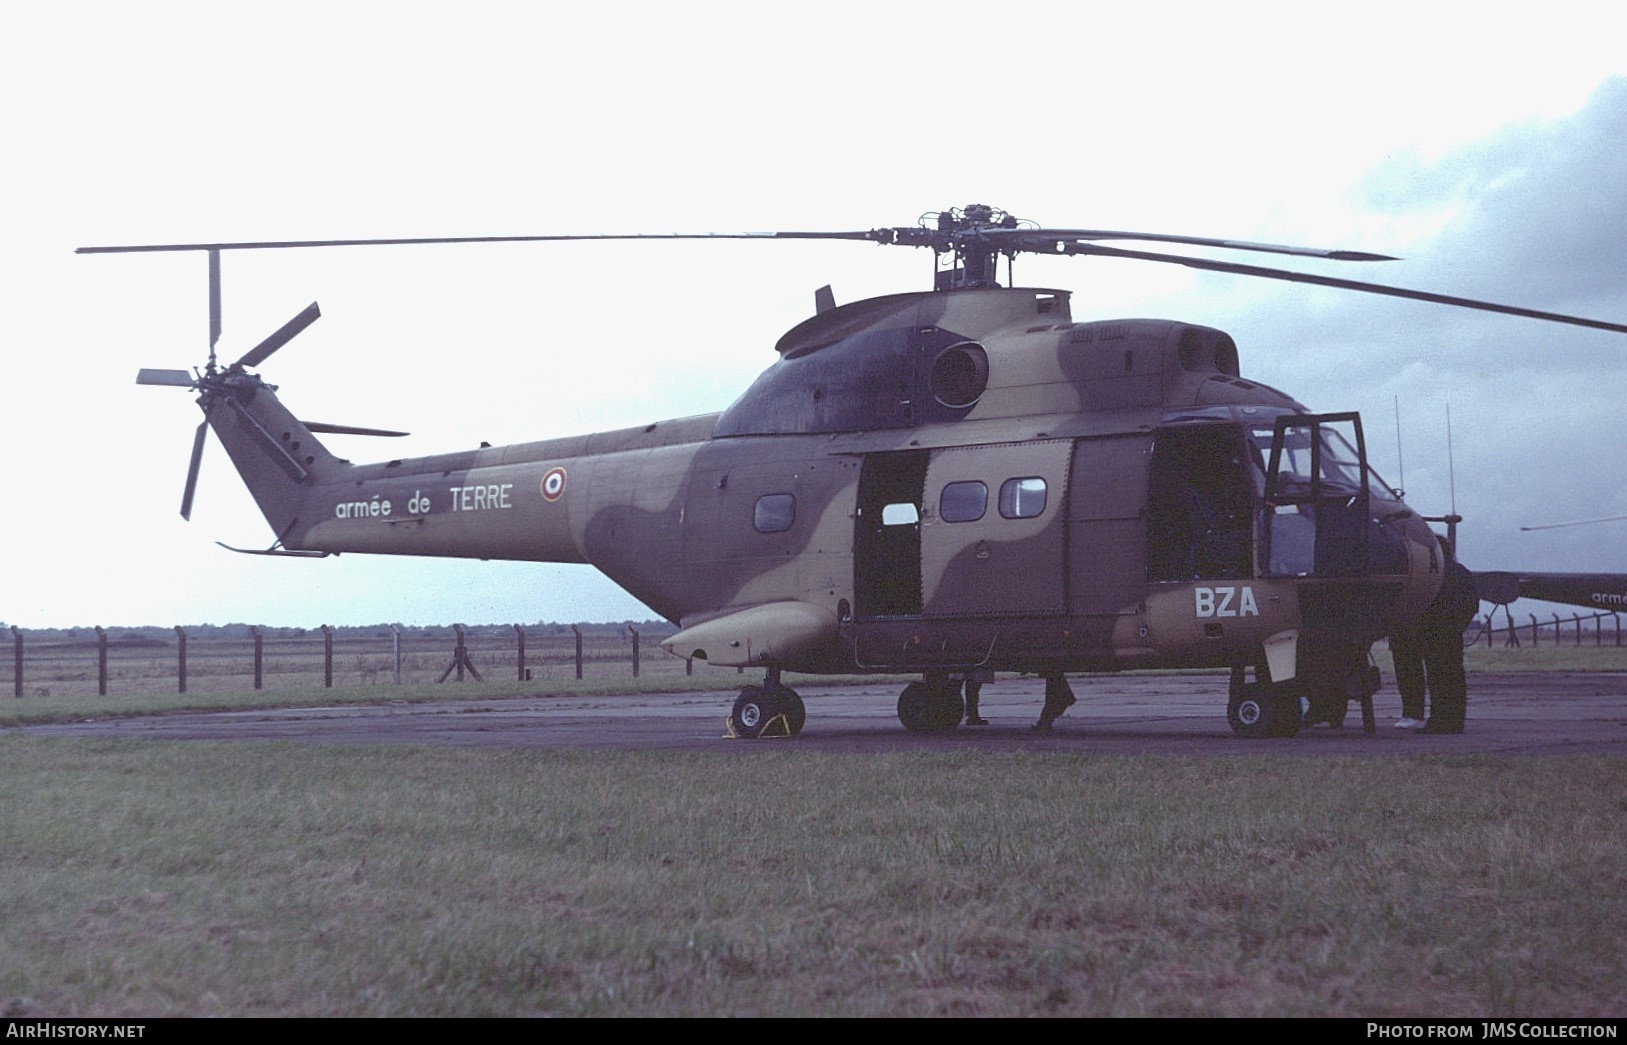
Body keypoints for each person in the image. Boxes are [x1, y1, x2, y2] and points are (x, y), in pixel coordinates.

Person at [1420, 536, 1478, 734]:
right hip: (1452, 633)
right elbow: (1471, 604)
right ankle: (1455, 720)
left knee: (1437, 678)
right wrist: (1457, 626)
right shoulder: (1462, 573)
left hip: (1434, 632)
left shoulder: (1432, 574)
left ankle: (1439, 719)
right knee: (1454, 676)